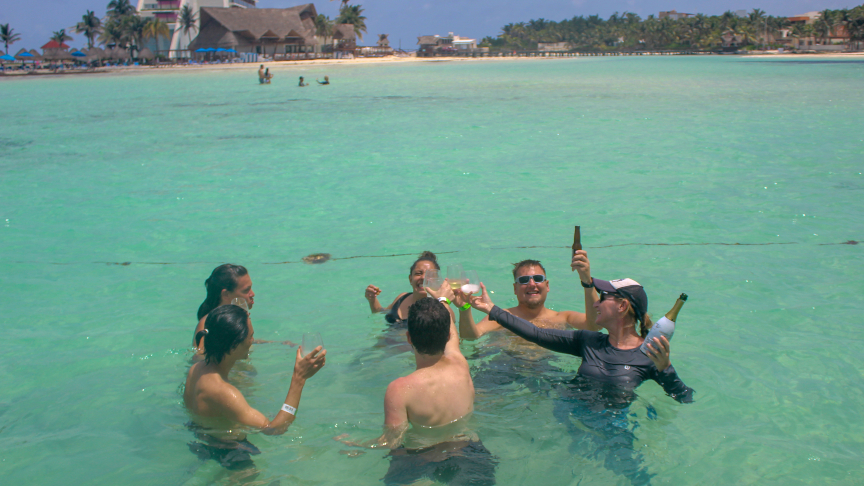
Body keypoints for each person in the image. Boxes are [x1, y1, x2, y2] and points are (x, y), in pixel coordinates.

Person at [464, 254, 694, 403]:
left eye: (603, 297)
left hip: (611, 428)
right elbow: (534, 333)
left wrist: (666, 369)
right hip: (566, 415)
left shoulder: (649, 356)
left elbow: (685, 398)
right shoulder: (588, 341)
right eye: (524, 280)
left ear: (623, 306)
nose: (596, 303)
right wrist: (491, 309)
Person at [337, 294, 496, 486]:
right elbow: (452, 331)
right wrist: (443, 298)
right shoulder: (460, 364)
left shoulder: (400, 389)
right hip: (469, 451)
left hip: (422, 458)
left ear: (408, 338)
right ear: (447, 336)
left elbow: (390, 441)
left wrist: (357, 444)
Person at [185, 305, 326, 470]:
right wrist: (299, 378)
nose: (253, 341)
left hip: (204, 441)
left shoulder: (197, 369)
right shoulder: (224, 392)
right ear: (233, 346)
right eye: (250, 337)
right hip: (230, 453)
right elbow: (275, 429)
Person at [455, 252, 601, 341]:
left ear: (547, 285)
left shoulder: (564, 318)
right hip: (505, 369)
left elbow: (594, 326)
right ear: (515, 288)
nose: (532, 284)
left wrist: (587, 281)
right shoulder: (501, 317)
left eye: (538, 278)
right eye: (524, 280)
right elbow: (471, 336)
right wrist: (465, 308)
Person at [365, 251, 454, 327]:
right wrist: (372, 300)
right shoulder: (402, 298)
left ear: (437, 280)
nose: (423, 277)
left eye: (429, 275)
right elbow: (379, 311)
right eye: (418, 273)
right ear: (410, 279)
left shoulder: (443, 309)